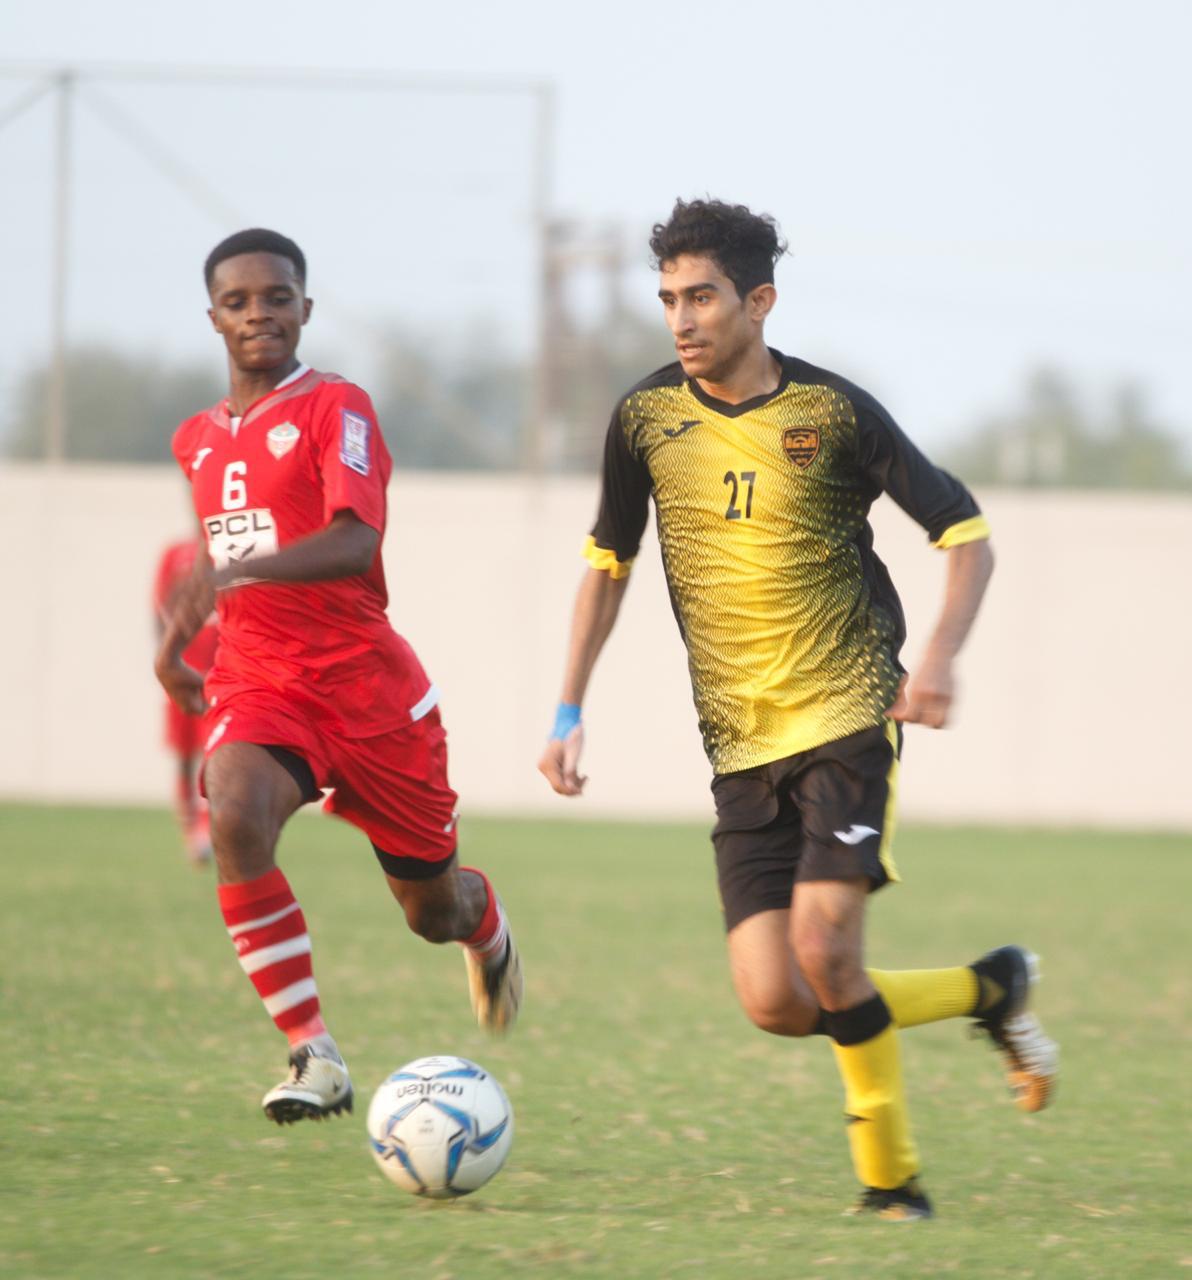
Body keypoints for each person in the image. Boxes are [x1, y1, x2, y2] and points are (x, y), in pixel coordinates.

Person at [538, 198, 1057, 1221]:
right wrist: (566, 709)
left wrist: (938, 659)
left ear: (759, 301)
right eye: (668, 299)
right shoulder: (645, 419)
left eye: (702, 297)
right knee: (777, 998)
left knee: (826, 952)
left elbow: (966, 536)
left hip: (847, 715)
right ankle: (989, 988)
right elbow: (607, 563)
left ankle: (891, 1185)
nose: (681, 319)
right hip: (739, 745)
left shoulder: (835, 412)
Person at [156, 228, 522, 1126]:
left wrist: (238, 571)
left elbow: (355, 541)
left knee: (430, 910)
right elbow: (214, 557)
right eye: (238, 302)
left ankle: (484, 923)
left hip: (368, 693)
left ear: (305, 308)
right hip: (260, 681)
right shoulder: (194, 441)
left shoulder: (337, 407)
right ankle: (313, 1054)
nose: (259, 314)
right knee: (234, 809)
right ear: (213, 318)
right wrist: (175, 643)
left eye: (277, 297)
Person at [152, 537, 218, 865]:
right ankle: (189, 828)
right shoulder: (174, 554)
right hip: (183, 670)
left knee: (213, 752)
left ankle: (206, 830)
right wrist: (167, 658)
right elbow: (159, 607)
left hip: (217, 674)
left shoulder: (224, 545)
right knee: (184, 755)